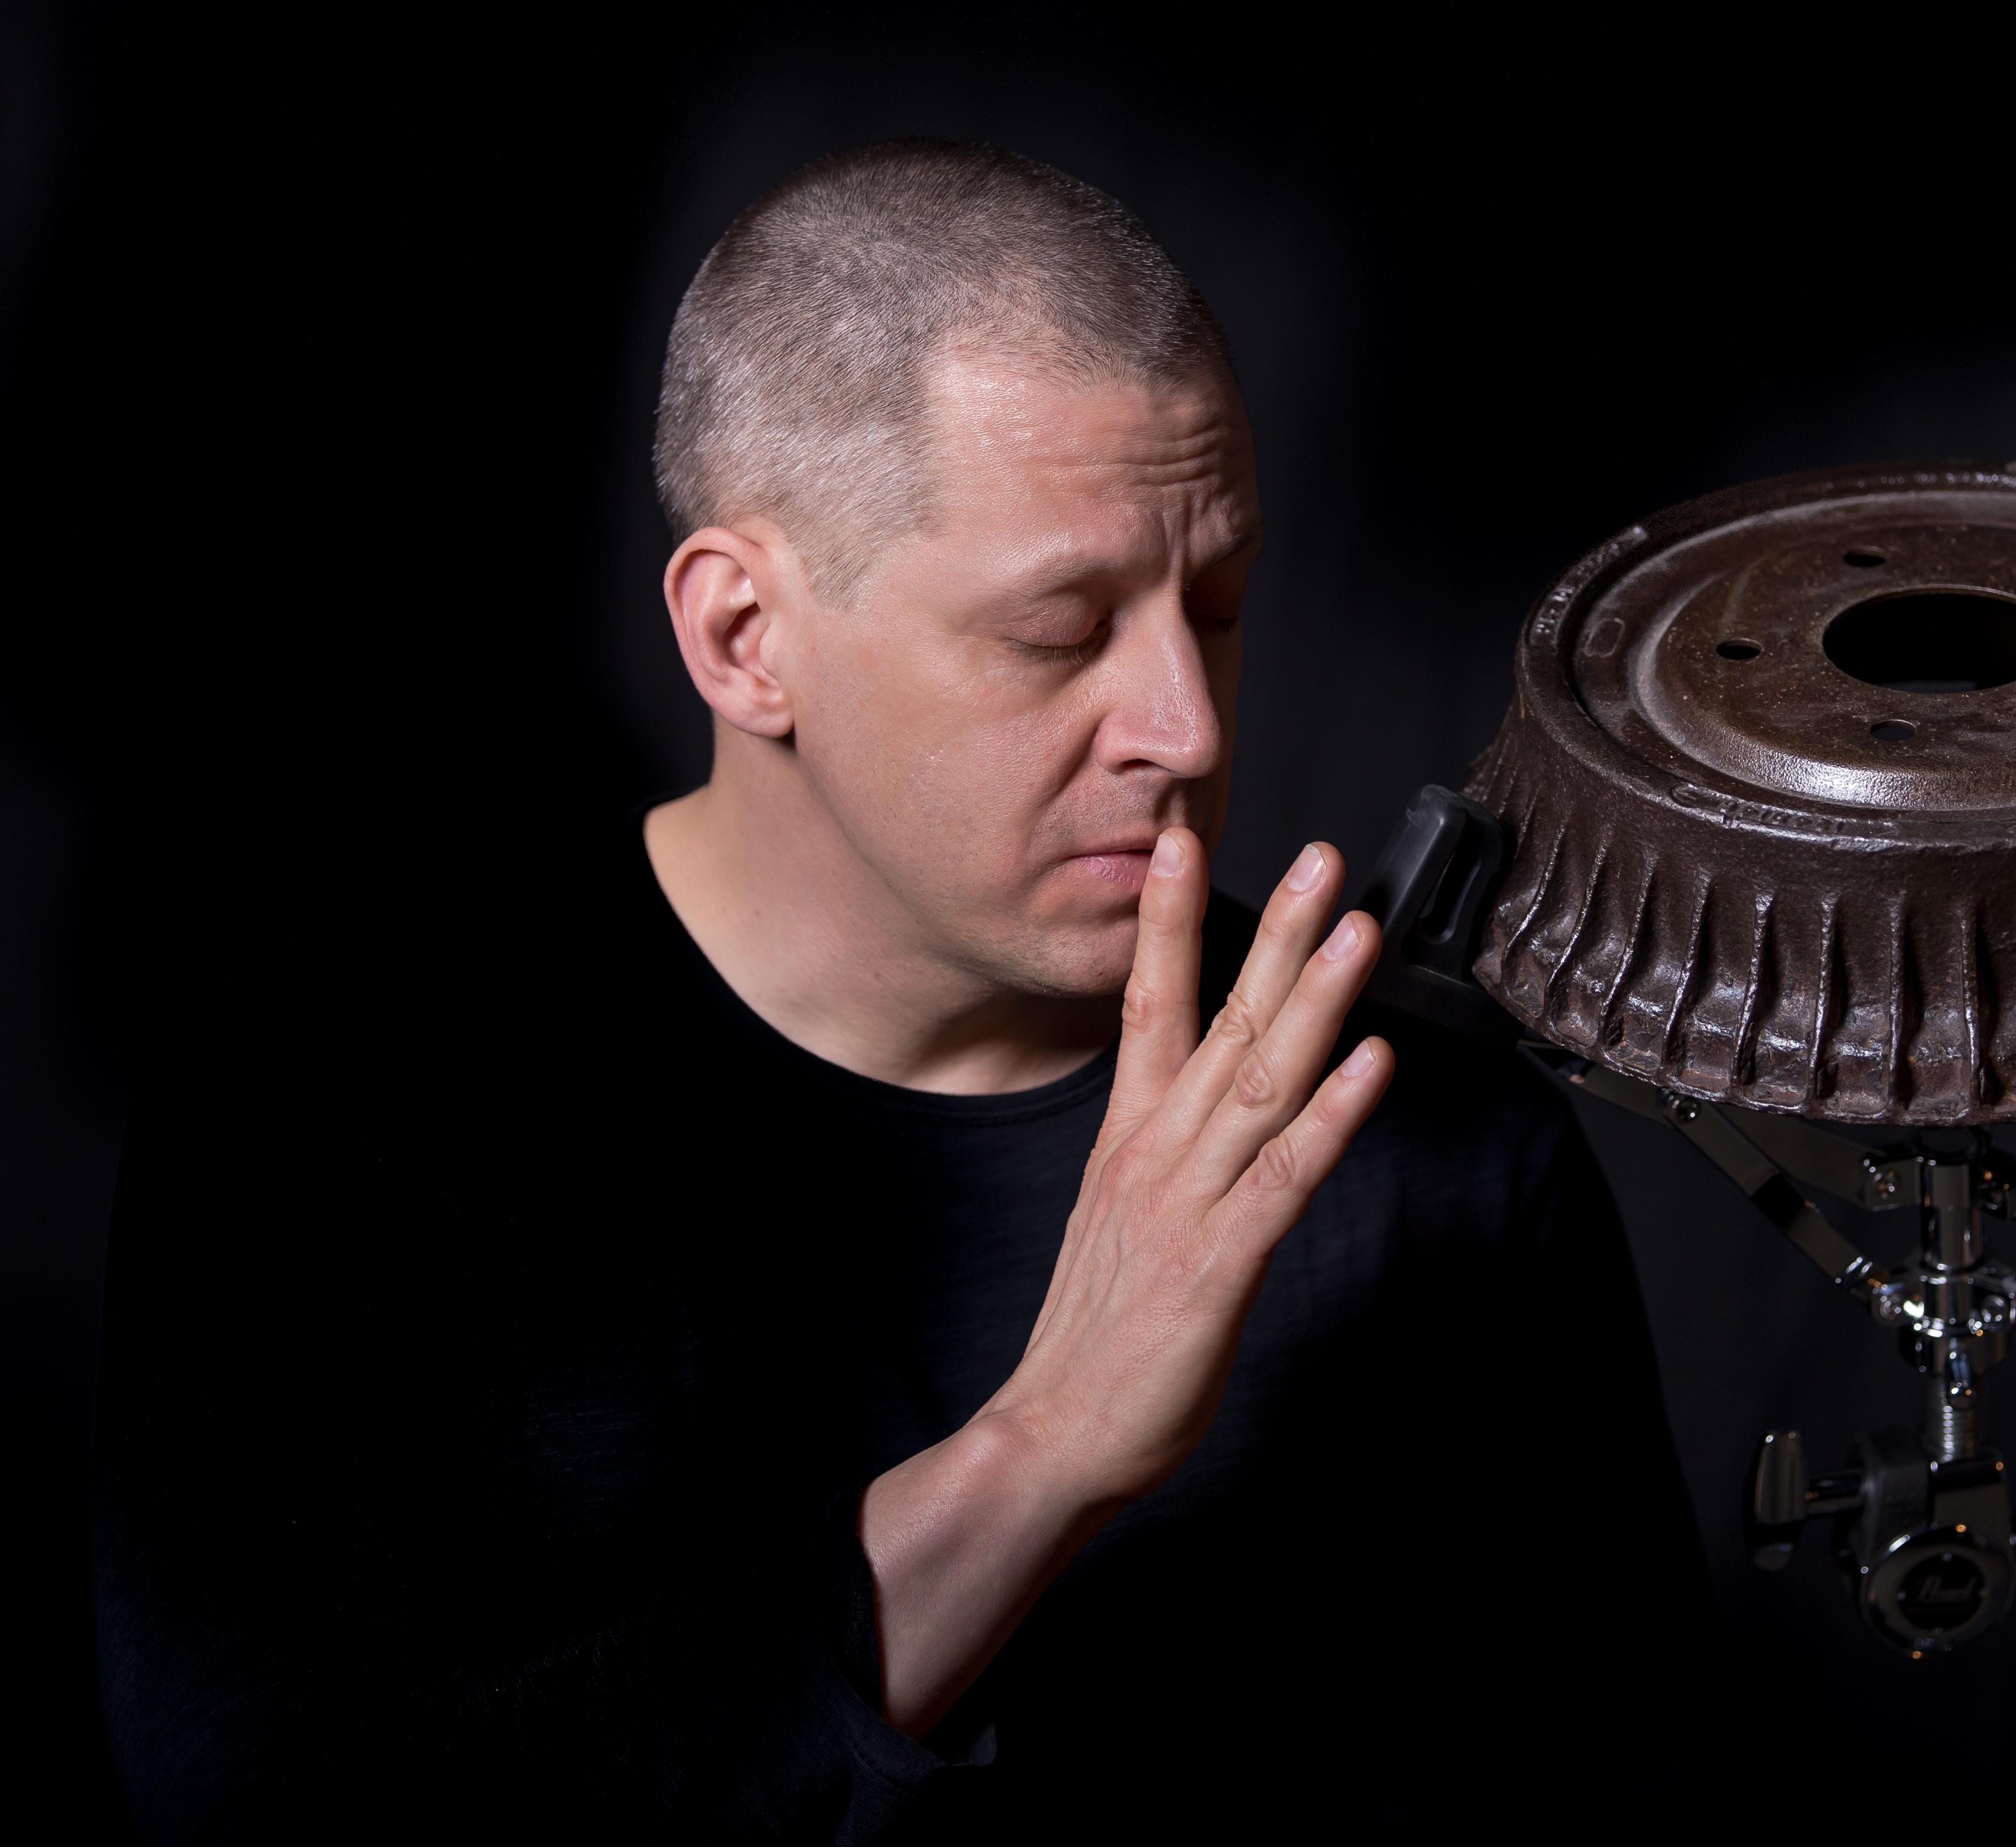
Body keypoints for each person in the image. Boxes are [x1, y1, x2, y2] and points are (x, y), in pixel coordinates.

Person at [93, 141, 1710, 1841]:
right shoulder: (323, 1120)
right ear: (743, 637)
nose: (1188, 724)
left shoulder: (1429, 1154)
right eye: (1058, 629)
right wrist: (1045, 1448)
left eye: (1214, 606)